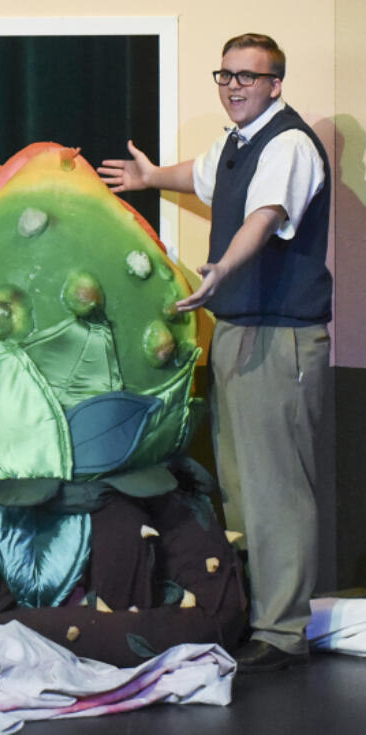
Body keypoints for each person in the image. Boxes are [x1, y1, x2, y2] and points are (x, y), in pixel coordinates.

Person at [98, 34, 331, 673]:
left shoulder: (286, 143)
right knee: (242, 482)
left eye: (248, 77)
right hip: (237, 328)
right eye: (225, 75)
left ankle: (282, 633)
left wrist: (222, 268)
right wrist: (151, 177)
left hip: (280, 332)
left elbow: (265, 215)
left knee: (276, 486)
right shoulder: (238, 143)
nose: (233, 86)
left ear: (276, 84)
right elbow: (200, 175)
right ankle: (260, 614)